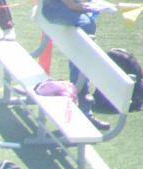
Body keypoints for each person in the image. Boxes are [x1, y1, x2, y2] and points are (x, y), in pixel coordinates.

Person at [40, 0, 111, 130]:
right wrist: (73, 5)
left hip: (61, 6)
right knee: (87, 26)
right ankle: (82, 105)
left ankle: (82, 106)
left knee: (81, 48)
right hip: (55, 7)